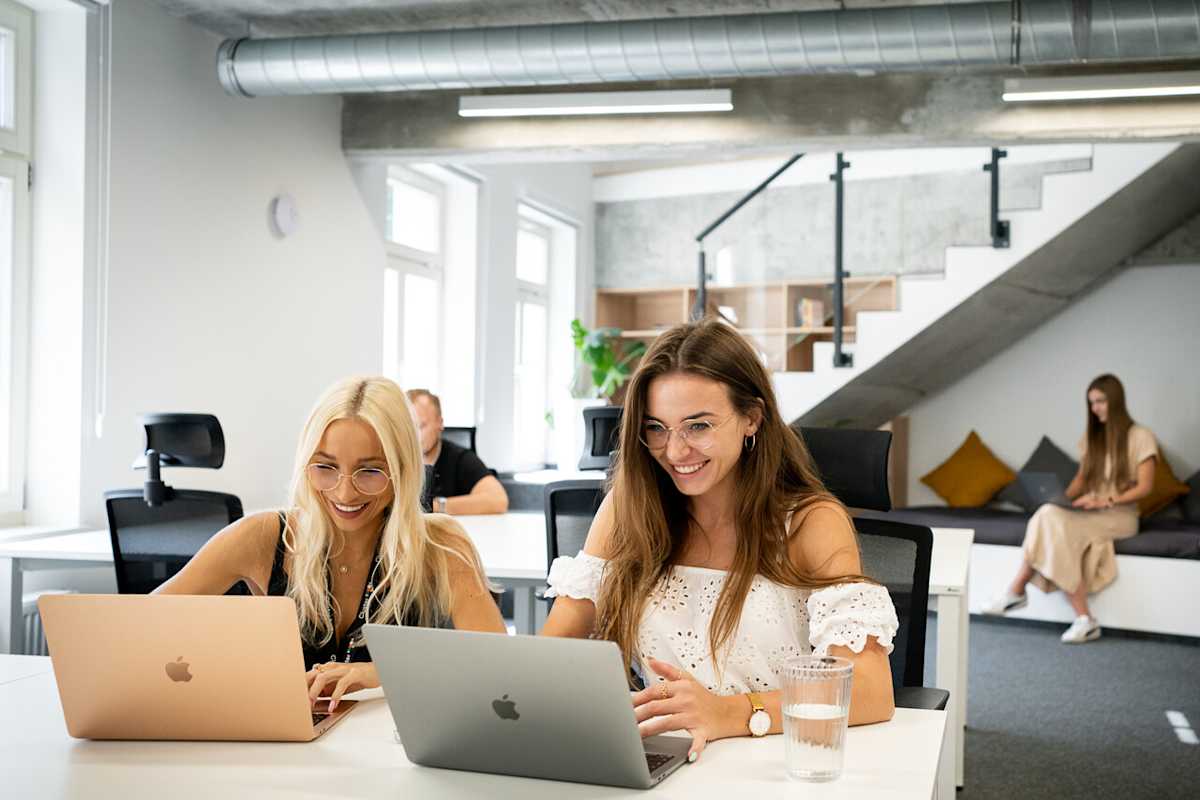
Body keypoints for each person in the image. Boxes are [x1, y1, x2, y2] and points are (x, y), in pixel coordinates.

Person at [540, 318, 897, 762]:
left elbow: (871, 691)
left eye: (698, 426)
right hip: (667, 760)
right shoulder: (627, 509)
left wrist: (728, 714)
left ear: (752, 418)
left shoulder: (810, 522)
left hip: (781, 760)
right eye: (656, 428)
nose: (674, 452)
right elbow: (552, 650)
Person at [157, 376, 506, 709]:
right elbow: (135, 627)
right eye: (325, 467)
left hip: (396, 758)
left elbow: (498, 668)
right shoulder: (264, 536)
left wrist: (380, 673)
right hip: (287, 750)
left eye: (369, 471)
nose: (344, 492)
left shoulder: (440, 546)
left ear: (403, 470)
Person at [984, 374, 1158, 643]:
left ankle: (1018, 590)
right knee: (1047, 513)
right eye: (1091, 403)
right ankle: (1083, 619)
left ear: (1115, 400)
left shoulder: (1141, 437)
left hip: (1120, 515)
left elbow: (1145, 487)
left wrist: (1106, 501)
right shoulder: (1094, 437)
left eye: (1100, 401)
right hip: (1092, 511)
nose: (1095, 408)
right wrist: (1061, 500)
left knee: (1052, 522)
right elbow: (1082, 479)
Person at [407, 388, 508, 515]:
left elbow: (498, 500)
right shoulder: (396, 459)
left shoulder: (460, 459)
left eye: (421, 426)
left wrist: (435, 506)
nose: (414, 435)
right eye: (408, 427)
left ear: (440, 423)